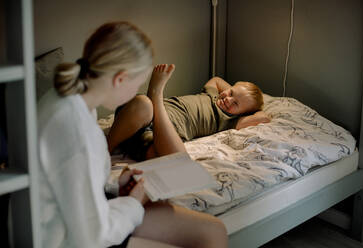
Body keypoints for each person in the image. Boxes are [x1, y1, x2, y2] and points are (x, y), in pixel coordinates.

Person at [38, 21, 227, 248]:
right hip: (68, 236)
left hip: (77, 217)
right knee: (211, 233)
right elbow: (91, 236)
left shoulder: (69, 99)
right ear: (120, 79)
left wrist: (115, 188)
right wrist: (133, 203)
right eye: (137, 83)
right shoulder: (79, 131)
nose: (135, 91)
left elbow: (74, 184)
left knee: (207, 227)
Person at [107, 71, 271, 161]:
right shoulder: (211, 95)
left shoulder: (230, 121)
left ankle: (154, 99)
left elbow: (263, 117)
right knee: (144, 103)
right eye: (230, 93)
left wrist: (248, 106)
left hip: (158, 134)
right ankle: (107, 149)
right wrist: (238, 94)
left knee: (171, 159)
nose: (228, 99)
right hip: (143, 115)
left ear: (242, 113)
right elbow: (216, 79)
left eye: (235, 104)